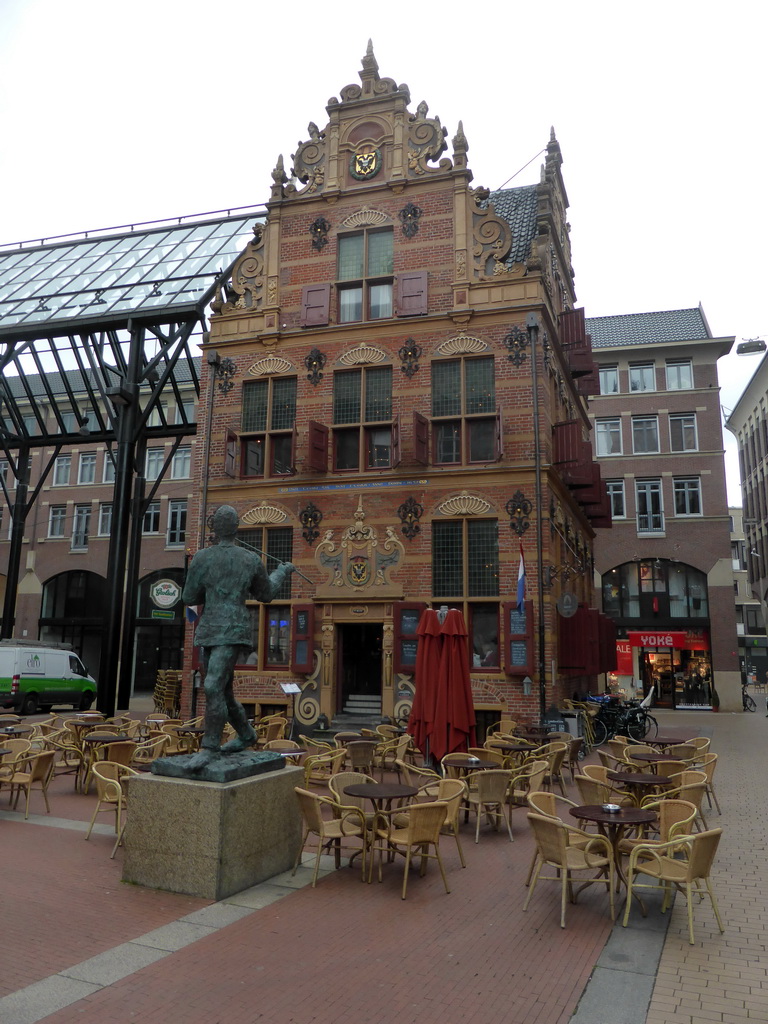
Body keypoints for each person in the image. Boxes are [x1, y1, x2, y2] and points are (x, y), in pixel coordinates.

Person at [182, 505, 294, 770]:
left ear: (214, 528)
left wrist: (211, 590)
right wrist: (283, 571)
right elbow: (266, 594)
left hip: (222, 630)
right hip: (223, 629)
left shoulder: (201, 558)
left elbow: (188, 597)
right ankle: (246, 734)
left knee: (211, 686)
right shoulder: (250, 559)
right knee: (223, 690)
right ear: (236, 528)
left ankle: (209, 747)